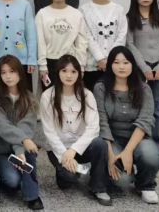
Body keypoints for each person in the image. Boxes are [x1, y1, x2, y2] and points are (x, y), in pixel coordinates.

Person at [93, 46, 159, 205]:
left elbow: (145, 121)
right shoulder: (101, 88)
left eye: (126, 62)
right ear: (110, 65)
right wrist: (109, 154)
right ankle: (105, 170)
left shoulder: (144, 88)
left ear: (132, 64)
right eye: (116, 62)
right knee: (123, 180)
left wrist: (128, 151)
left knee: (151, 156)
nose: (121, 66)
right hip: (112, 139)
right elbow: (101, 122)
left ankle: (145, 185)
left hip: (138, 138)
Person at [39, 55, 111, 206]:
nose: (69, 75)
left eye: (73, 71)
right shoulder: (48, 96)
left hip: (80, 148)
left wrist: (73, 150)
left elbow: (93, 128)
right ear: (58, 72)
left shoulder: (87, 95)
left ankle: (98, 187)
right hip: (59, 149)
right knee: (69, 179)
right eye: (64, 71)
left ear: (79, 73)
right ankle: (63, 172)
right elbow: (49, 132)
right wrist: (65, 153)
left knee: (100, 144)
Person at [0, 55, 43, 210]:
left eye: (12, 71)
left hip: (21, 150)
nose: (8, 76)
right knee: (13, 182)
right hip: (1, 150)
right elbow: (1, 125)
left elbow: (25, 126)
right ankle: (6, 179)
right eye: (3, 72)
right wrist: (23, 140)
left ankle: (32, 196)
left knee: (30, 149)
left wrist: (20, 149)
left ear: (19, 72)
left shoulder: (30, 98)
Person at [126, 0, 159, 154]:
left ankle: (155, 141)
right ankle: (136, 141)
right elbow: (130, 44)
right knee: (137, 104)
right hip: (139, 68)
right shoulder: (129, 18)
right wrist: (144, 67)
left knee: (156, 105)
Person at [36, 0, 89, 89]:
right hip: (50, 62)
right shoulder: (42, 14)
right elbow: (40, 41)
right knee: (50, 96)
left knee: (70, 95)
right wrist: (42, 65)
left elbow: (82, 42)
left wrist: (81, 66)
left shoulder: (76, 14)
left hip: (71, 62)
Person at [81, 0, 128, 91]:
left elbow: (122, 35)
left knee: (113, 96)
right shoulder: (84, 9)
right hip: (92, 64)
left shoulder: (118, 9)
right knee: (92, 96)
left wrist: (110, 59)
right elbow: (86, 35)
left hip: (115, 63)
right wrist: (100, 58)